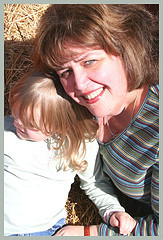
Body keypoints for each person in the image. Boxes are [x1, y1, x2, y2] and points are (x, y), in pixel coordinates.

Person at [34, 4, 159, 236]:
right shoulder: (68, 100)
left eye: (89, 61)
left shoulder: (156, 130)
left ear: (127, 50)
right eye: (65, 72)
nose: (79, 85)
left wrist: (90, 233)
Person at [4, 70, 136, 236]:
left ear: (59, 125)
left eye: (31, 124)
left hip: (46, 230)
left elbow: (95, 183)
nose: (17, 123)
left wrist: (113, 211)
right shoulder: (6, 132)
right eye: (15, 113)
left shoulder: (79, 145)